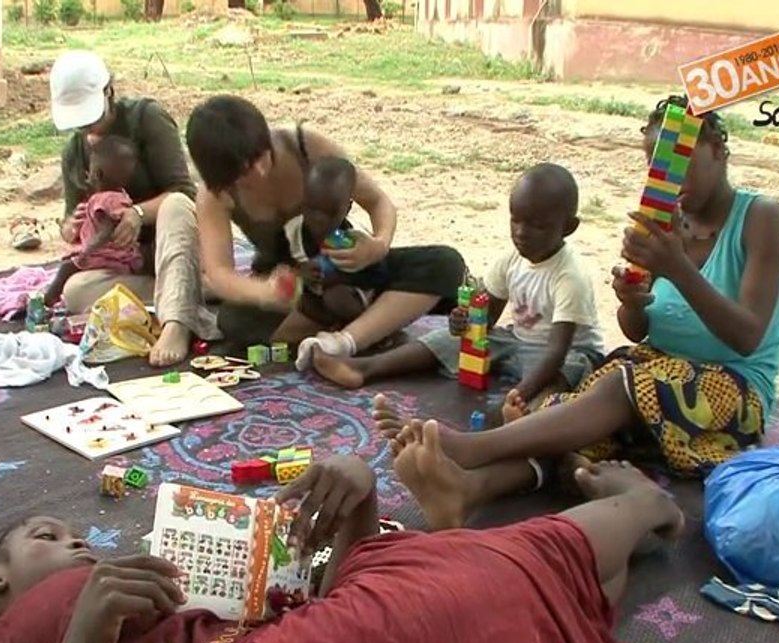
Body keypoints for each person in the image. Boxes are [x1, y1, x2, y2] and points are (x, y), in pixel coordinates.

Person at [0, 455, 779, 643]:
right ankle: (645, 503)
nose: (80, 541)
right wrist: (79, 640)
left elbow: (320, 596)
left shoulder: (143, 590)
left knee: (446, 579)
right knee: (483, 580)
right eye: (50, 537)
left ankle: (610, 537)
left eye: (78, 533)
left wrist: (352, 508)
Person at [371, 94, 779, 528]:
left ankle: (471, 449)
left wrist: (676, 267)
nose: (666, 176)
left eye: (681, 158)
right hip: (657, 370)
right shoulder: (665, 222)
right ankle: (467, 492)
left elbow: (748, 335)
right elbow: (636, 330)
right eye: (655, 163)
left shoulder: (761, 217)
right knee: (564, 418)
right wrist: (632, 300)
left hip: (734, 387)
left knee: (618, 388)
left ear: (720, 151)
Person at [184, 94, 467, 364]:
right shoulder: (215, 196)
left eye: (262, 157)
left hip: (351, 269)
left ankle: (345, 338)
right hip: (298, 288)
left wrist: (377, 245)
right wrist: (266, 292)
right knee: (234, 320)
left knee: (446, 264)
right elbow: (220, 273)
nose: (259, 172)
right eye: (244, 172)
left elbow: (378, 202)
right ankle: (373, 324)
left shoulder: (305, 147)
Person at [312, 163, 606, 416]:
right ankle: (364, 368)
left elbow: (557, 351)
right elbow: (485, 319)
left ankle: (530, 412)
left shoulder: (570, 275)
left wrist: (516, 394)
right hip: (518, 342)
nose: (521, 232)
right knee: (447, 339)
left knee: (568, 371)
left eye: (538, 226)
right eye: (515, 220)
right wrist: (464, 322)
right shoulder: (511, 260)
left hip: (567, 351)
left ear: (568, 227)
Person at [49, 50, 219, 366]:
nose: (86, 127)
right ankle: (193, 292)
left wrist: (138, 215)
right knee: (75, 293)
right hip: (130, 265)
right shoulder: (75, 152)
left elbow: (183, 192)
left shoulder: (146, 119)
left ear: (109, 92)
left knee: (176, 206)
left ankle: (176, 323)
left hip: (174, 243)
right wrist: (70, 227)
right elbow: (71, 215)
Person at [287, 156, 390, 333]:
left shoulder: (356, 238)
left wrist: (340, 277)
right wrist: (298, 272)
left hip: (353, 301)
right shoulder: (291, 231)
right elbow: (268, 264)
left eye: (331, 213)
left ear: (348, 208)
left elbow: (381, 277)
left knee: (335, 296)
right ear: (303, 202)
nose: (320, 220)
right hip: (310, 298)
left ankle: (366, 332)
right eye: (313, 209)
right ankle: (328, 327)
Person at [43, 136, 142, 307]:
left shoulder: (103, 200)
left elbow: (106, 229)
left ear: (96, 174)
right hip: (119, 257)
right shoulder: (121, 197)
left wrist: (87, 251)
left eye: (90, 169)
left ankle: (47, 301)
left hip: (105, 256)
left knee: (67, 267)